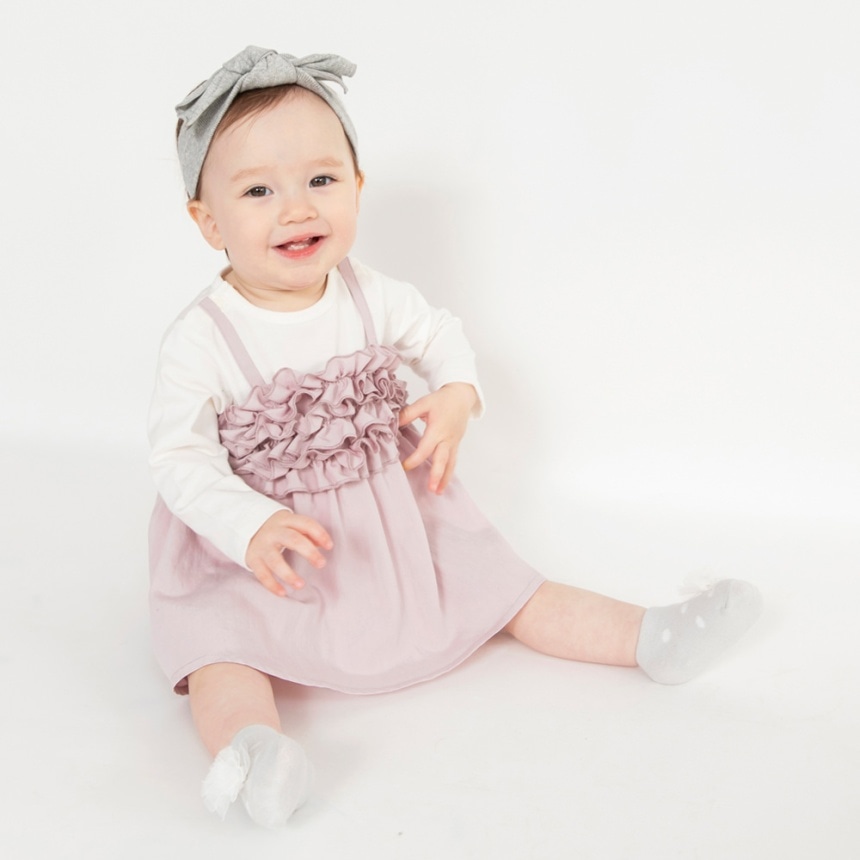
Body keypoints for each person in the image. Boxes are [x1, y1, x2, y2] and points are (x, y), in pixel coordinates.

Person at [149, 46, 763, 828]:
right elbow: (179, 458)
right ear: (207, 221)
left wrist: (456, 395)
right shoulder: (201, 338)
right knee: (220, 651)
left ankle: (649, 635)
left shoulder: (368, 292)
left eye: (321, 180)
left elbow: (440, 335)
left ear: (358, 186)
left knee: (504, 586)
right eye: (259, 190)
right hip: (270, 550)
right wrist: (249, 524)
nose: (297, 209)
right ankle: (256, 753)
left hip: (391, 521)